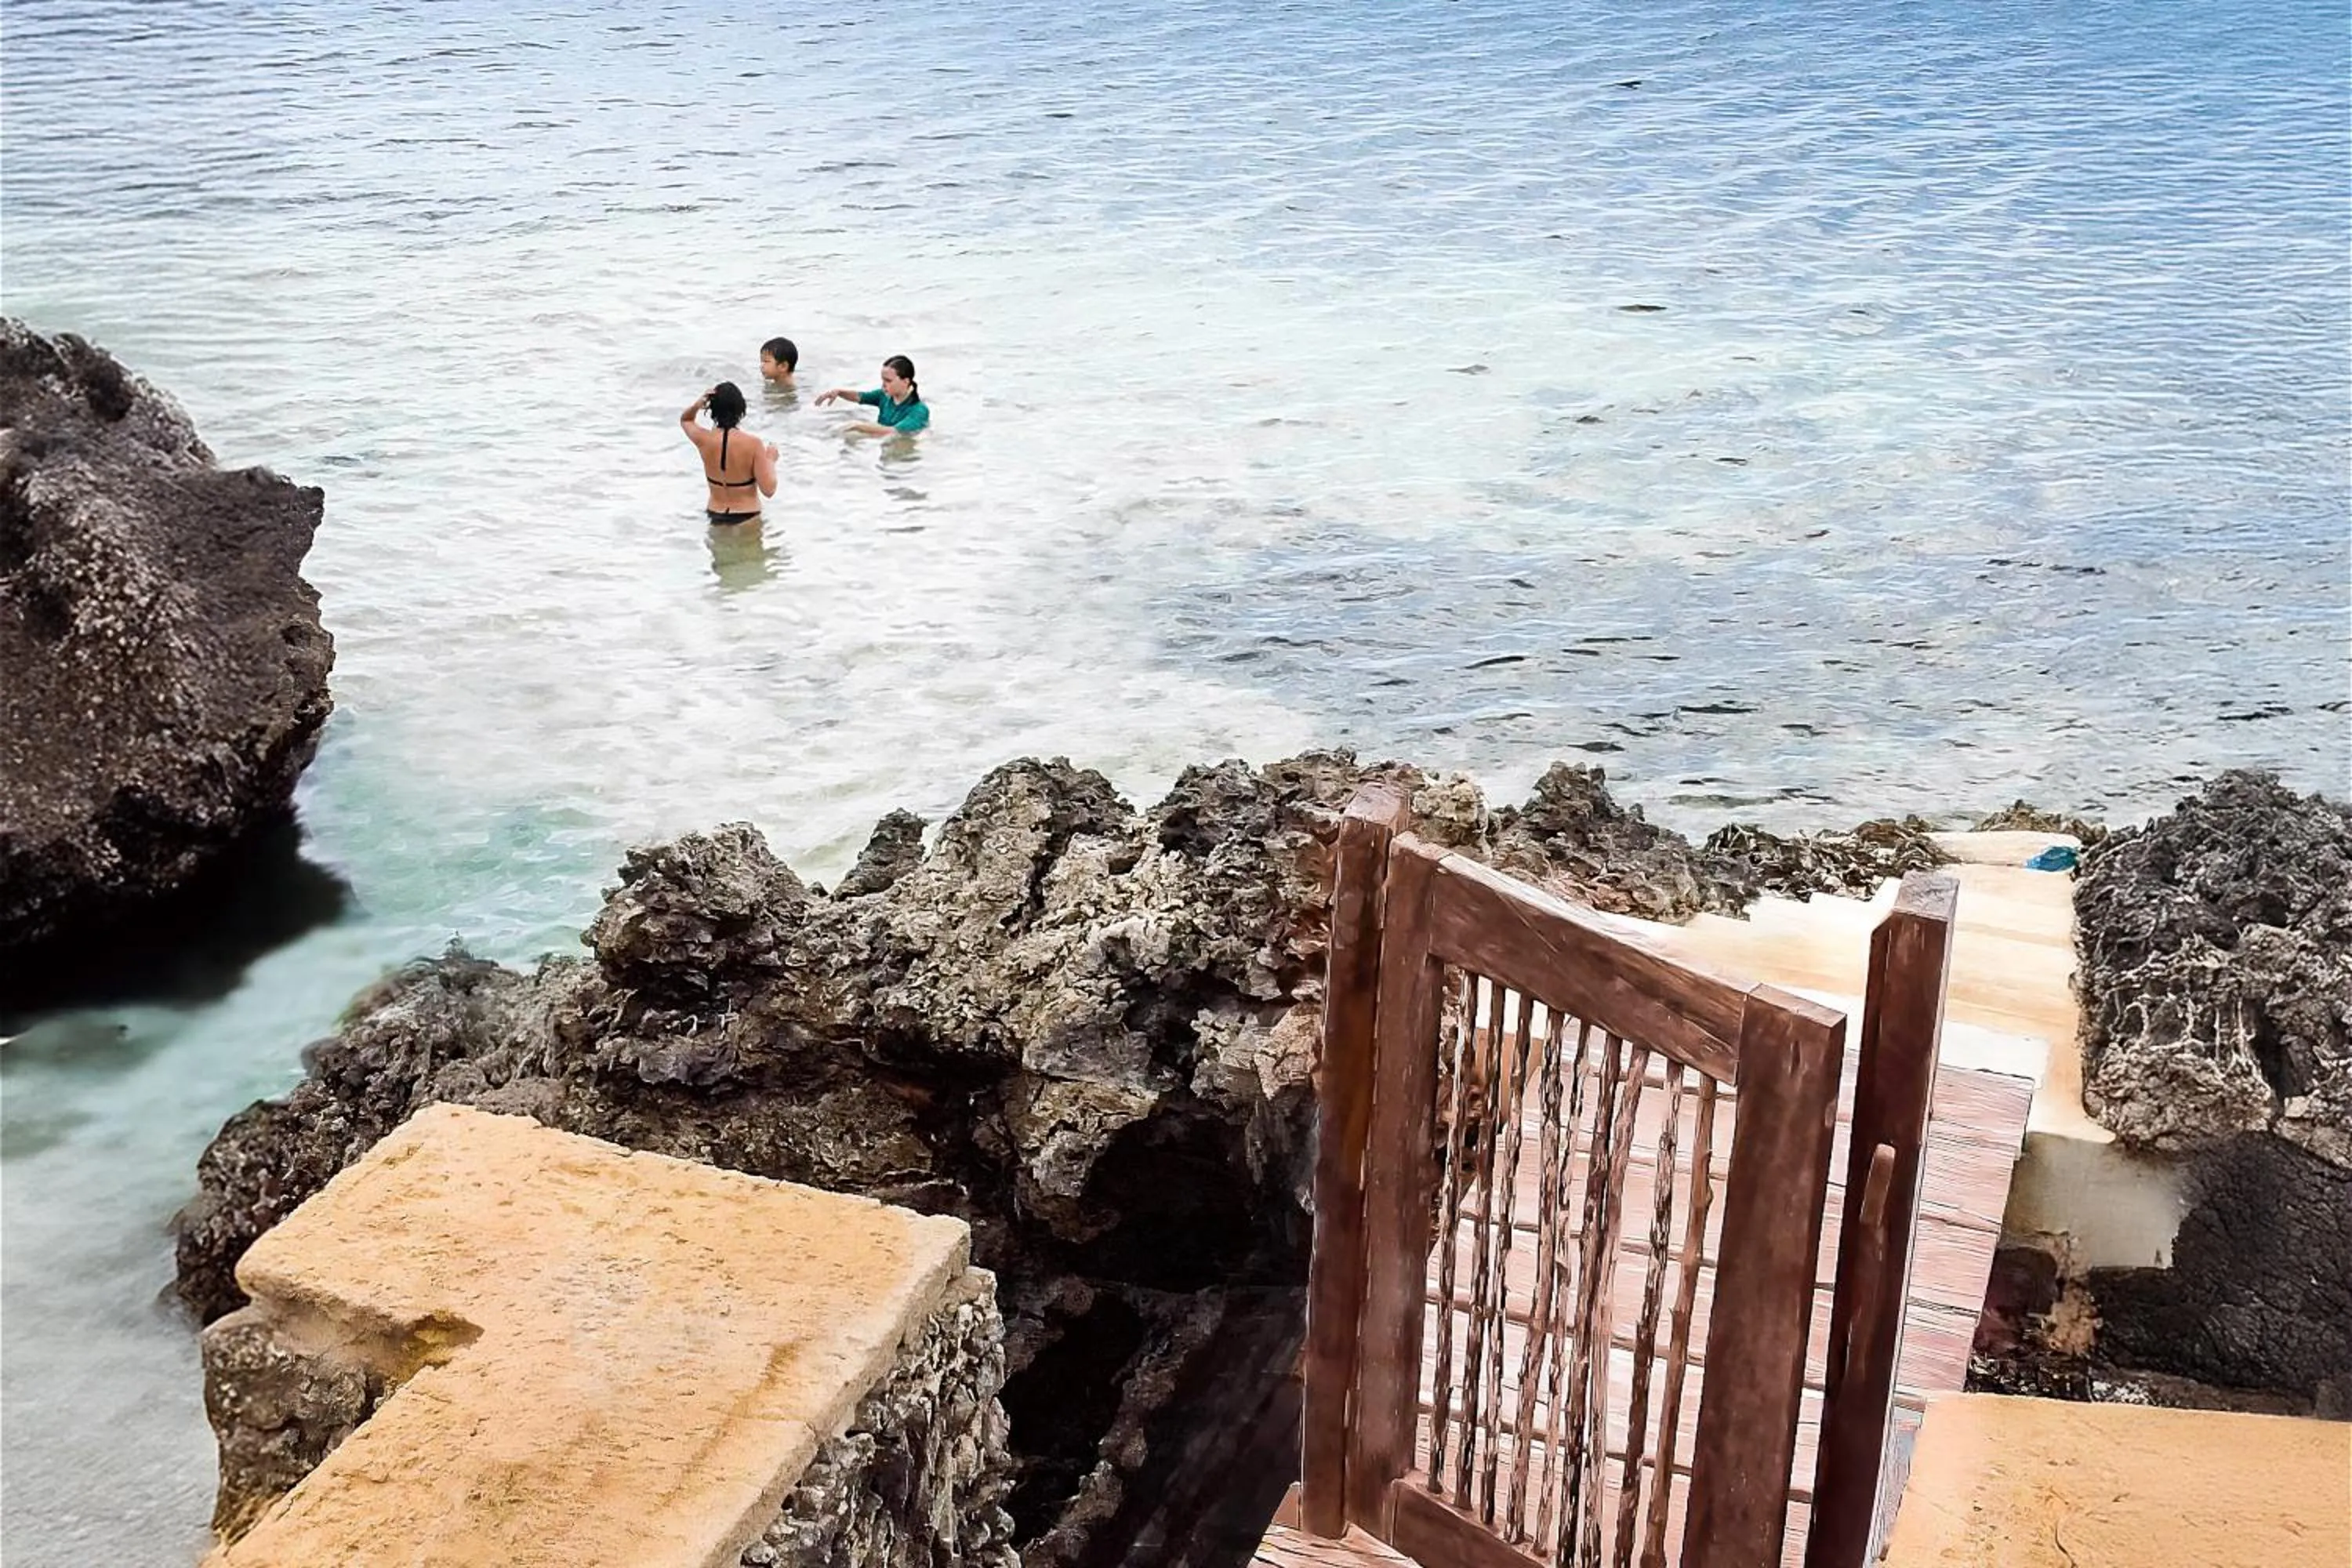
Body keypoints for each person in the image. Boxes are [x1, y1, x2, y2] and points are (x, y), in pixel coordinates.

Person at [679, 381, 777, 524]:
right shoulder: (753, 444)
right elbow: (769, 490)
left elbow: (686, 420)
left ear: (712, 408)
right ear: (741, 408)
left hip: (714, 514)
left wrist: (698, 405)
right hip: (747, 516)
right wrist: (771, 459)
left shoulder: (704, 439)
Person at [816, 354, 930, 435]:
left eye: (888, 381)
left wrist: (857, 426)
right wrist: (839, 392)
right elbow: (860, 397)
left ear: (905, 382)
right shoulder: (884, 396)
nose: (883, 385)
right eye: (883, 380)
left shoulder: (919, 410)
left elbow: (894, 432)